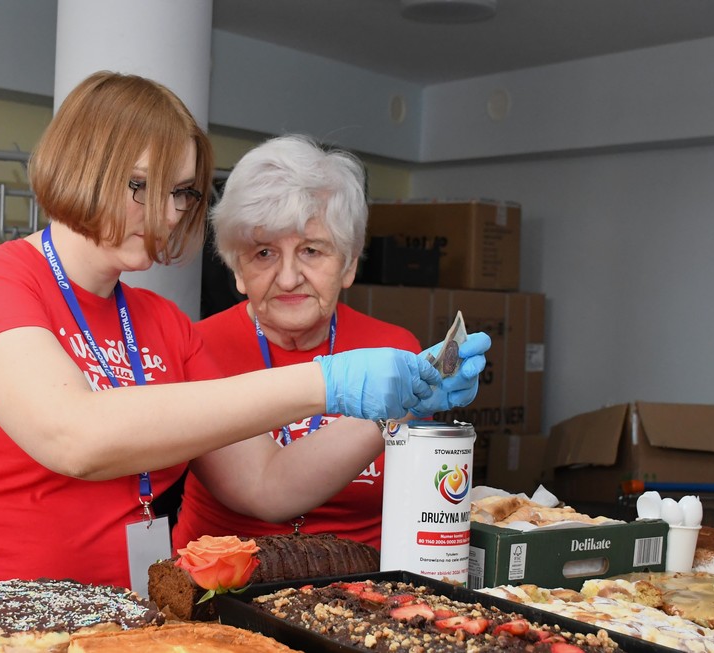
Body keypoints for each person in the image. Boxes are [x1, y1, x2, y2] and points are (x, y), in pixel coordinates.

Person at [0, 72, 490, 589]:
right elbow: (74, 437)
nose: (168, 213)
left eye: (180, 193)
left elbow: (267, 485)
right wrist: (326, 382)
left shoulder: (162, 324)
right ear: (79, 167)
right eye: (141, 185)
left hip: (117, 621)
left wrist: (395, 403)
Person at [171, 135, 489, 551]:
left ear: (349, 264)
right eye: (264, 253)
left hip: (364, 581)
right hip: (223, 580)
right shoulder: (197, 348)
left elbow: (423, 499)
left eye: (311, 250)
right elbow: (264, 489)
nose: (288, 278)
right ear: (237, 269)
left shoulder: (394, 349)